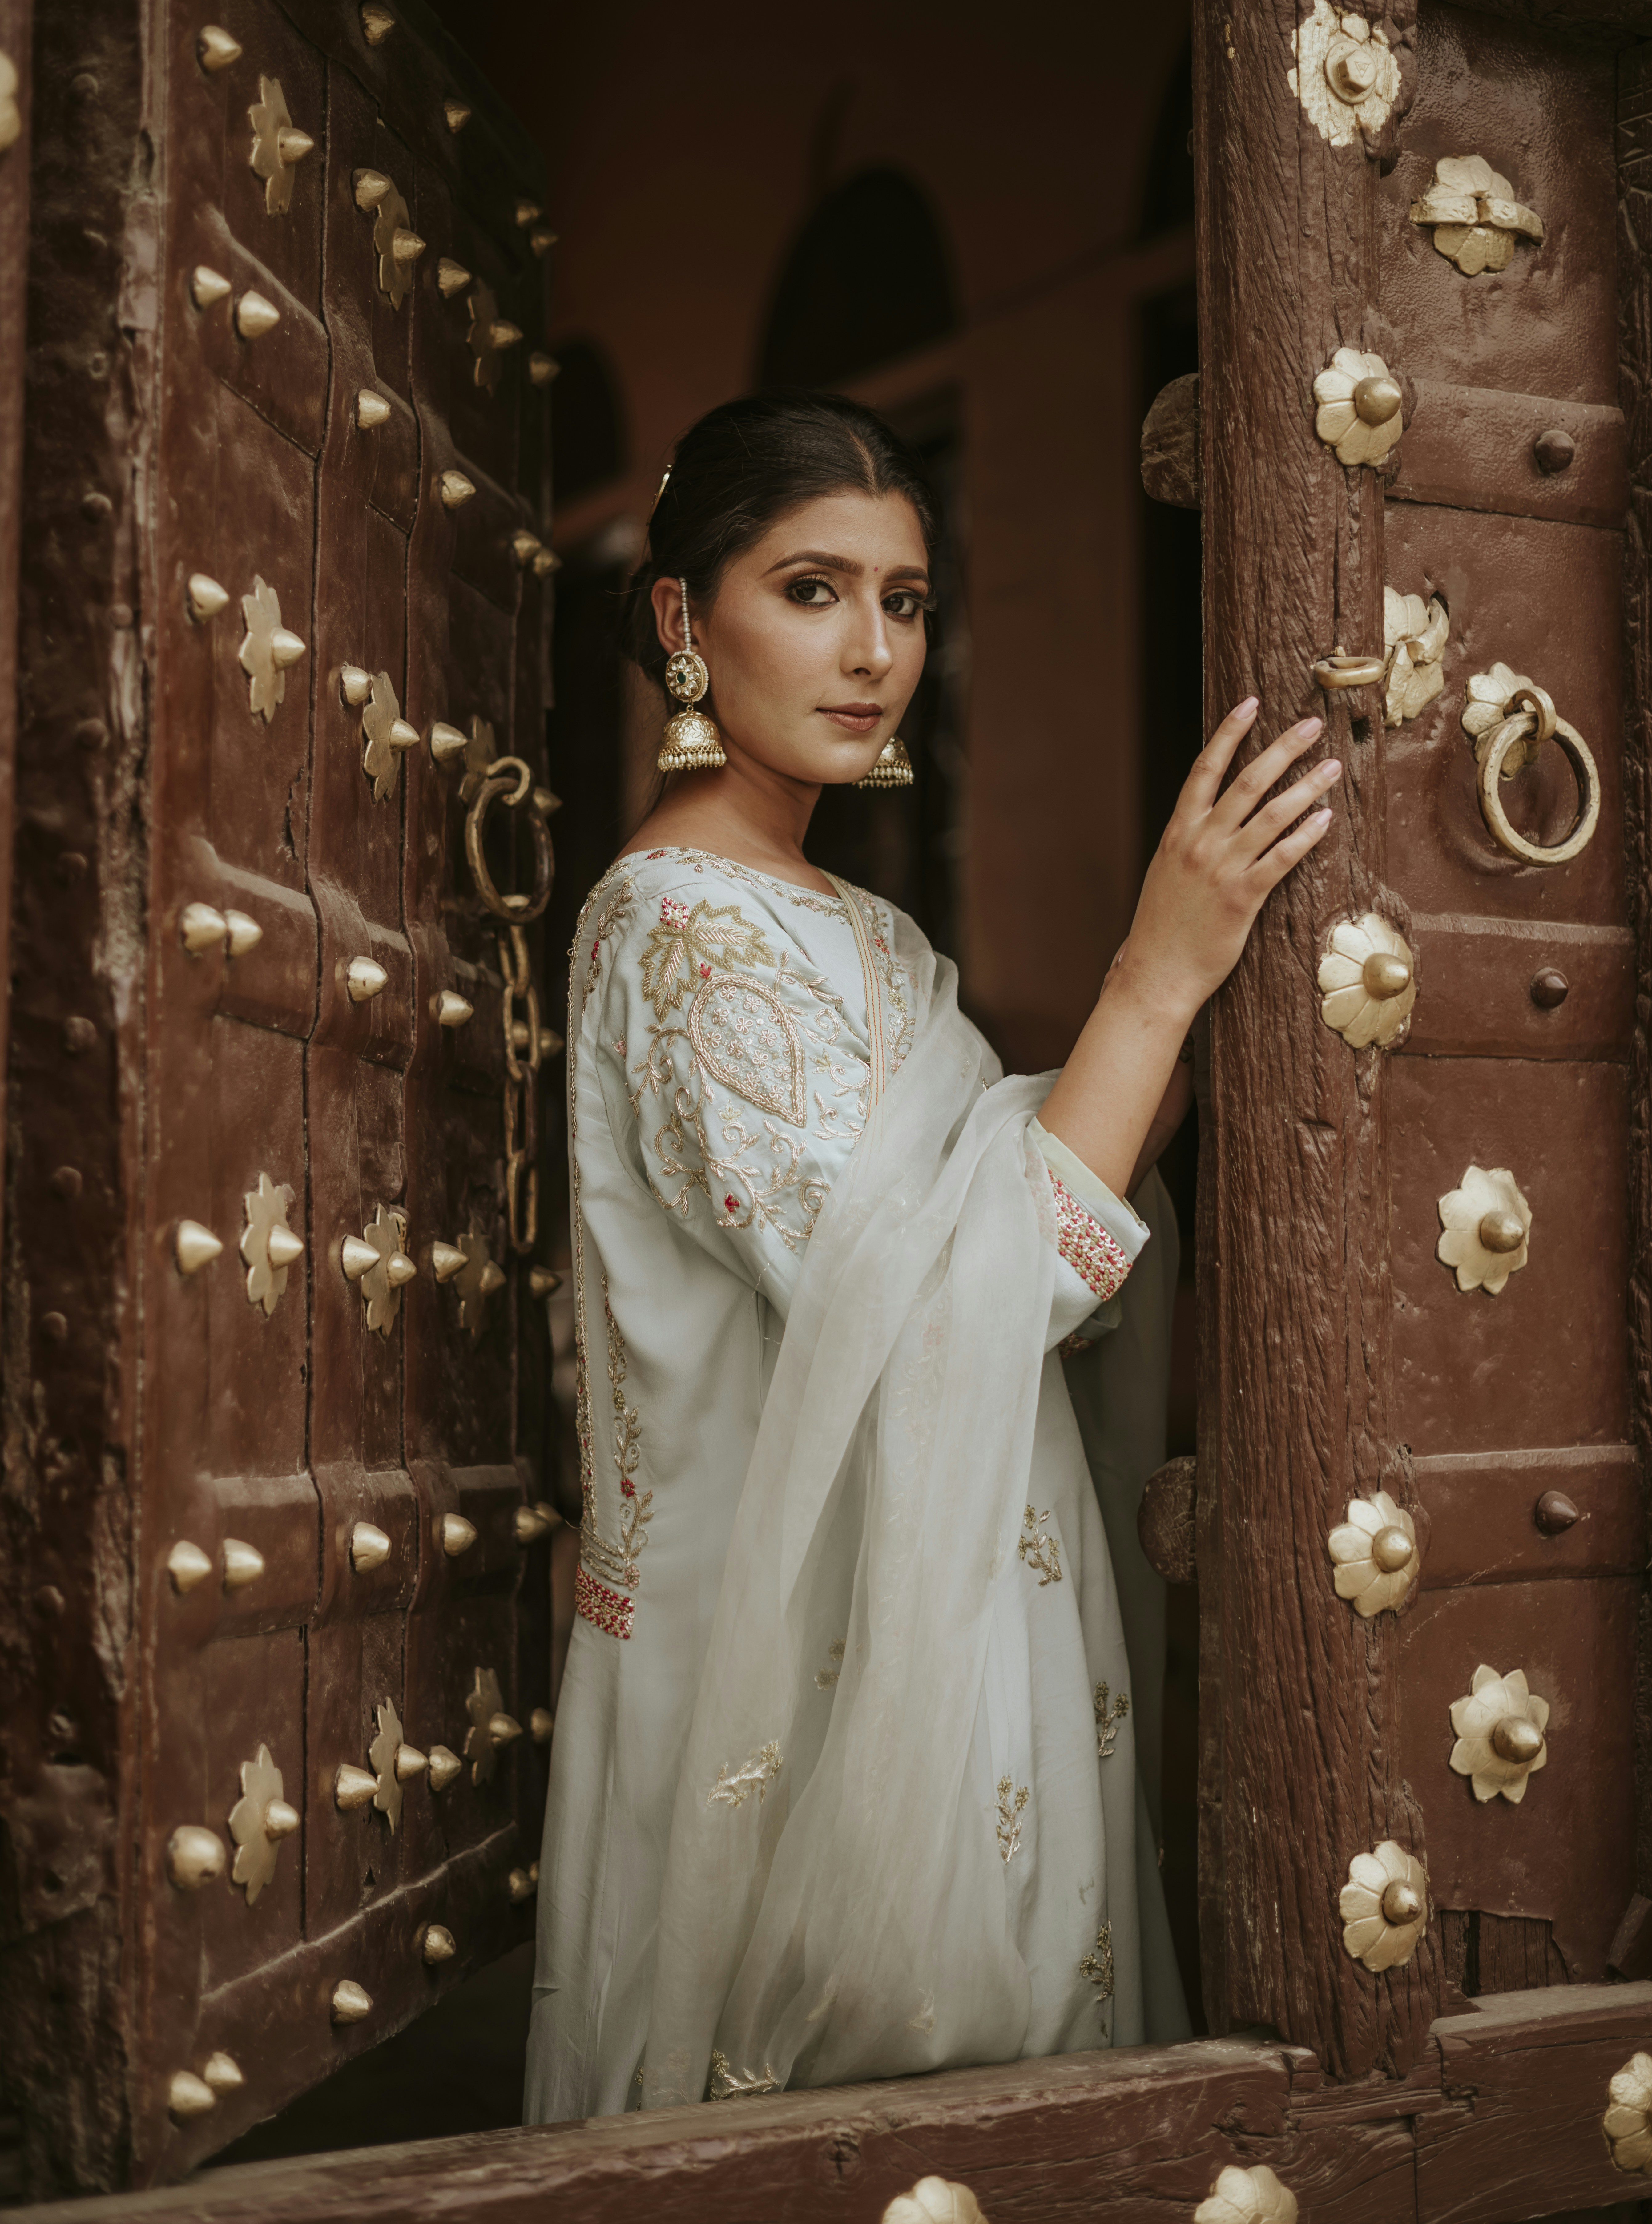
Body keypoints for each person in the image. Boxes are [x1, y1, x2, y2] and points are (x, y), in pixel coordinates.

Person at [524, 392, 1338, 2121]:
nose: (872, 649)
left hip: (930, 1622)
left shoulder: (852, 928)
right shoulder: (684, 934)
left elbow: (976, 1202)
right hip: (777, 1689)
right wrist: (1153, 978)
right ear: (683, 621)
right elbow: (939, 1302)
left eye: (904, 600)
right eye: (810, 590)